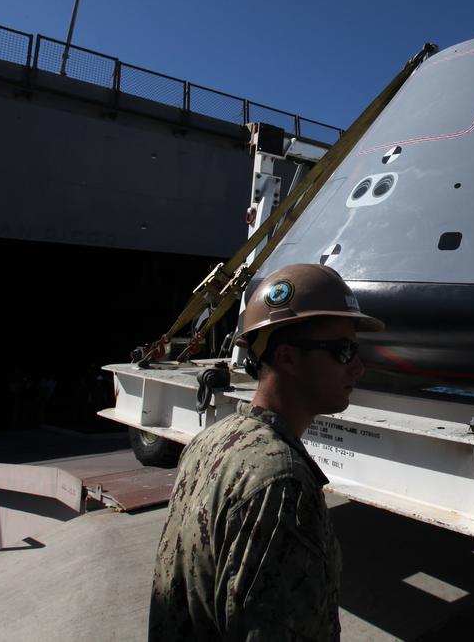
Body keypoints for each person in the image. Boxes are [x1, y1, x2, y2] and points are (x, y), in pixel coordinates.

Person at [149, 263, 382, 641]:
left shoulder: (210, 442)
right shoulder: (280, 482)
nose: (358, 367)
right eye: (343, 351)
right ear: (288, 358)